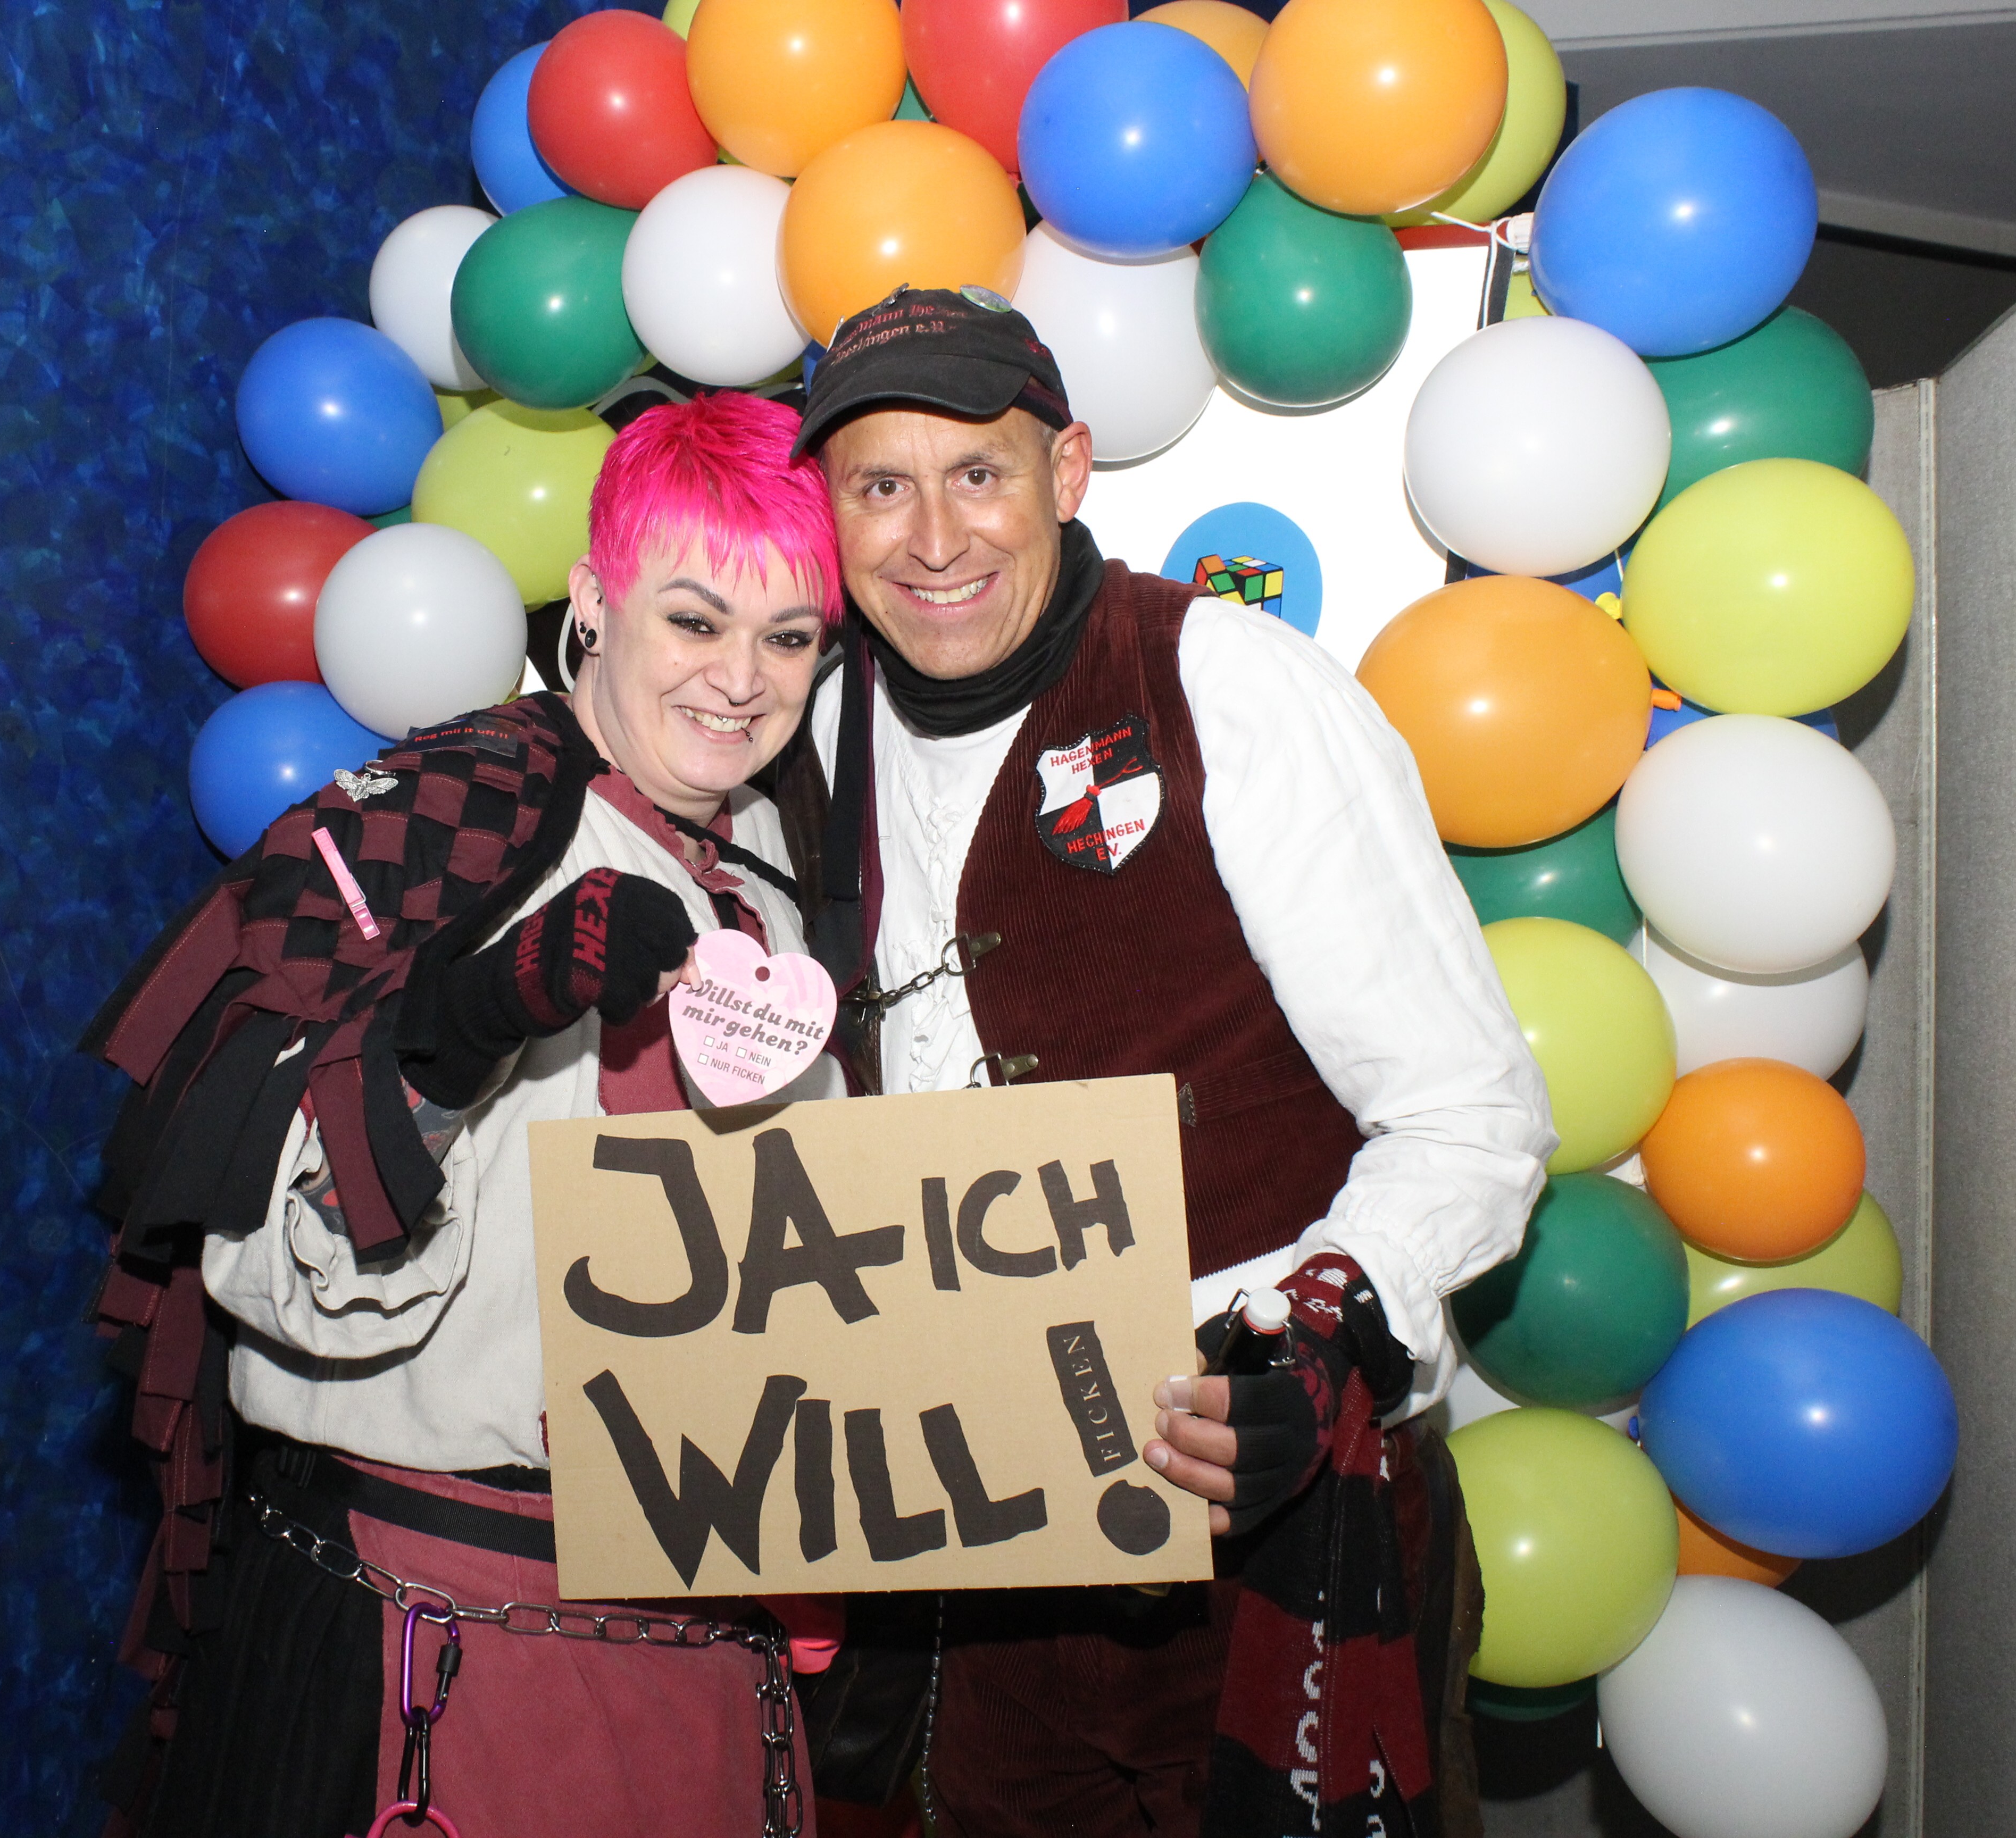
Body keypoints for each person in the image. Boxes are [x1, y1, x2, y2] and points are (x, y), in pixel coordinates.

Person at [785, 287, 1556, 1838]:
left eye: (979, 473)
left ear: (1068, 469)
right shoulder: (796, 729)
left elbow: (1470, 1118)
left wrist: (1303, 1354)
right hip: (972, 1564)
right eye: (880, 485)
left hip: (1266, 1525)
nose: (933, 537)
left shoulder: (1232, 687)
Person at [78, 391, 848, 1838]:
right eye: (695, 621)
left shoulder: (773, 878)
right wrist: (462, 1030)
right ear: (596, 603)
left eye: (791, 636)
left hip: (701, 1653)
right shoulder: (444, 827)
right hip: (434, 1640)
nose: (743, 679)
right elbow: (275, 1269)